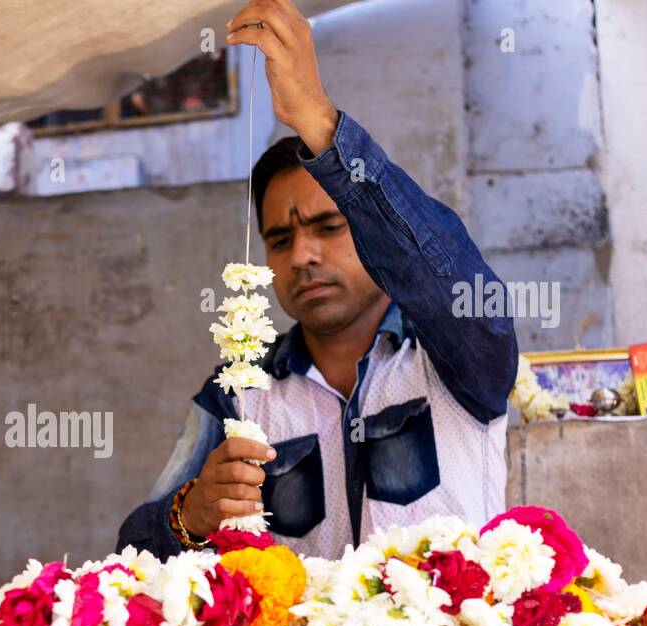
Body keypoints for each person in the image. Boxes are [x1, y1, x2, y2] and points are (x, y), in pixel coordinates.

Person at [116, 0, 519, 560]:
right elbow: (133, 551)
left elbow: (450, 279)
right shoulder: (238, 392)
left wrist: (319, 124)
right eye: (280, 239)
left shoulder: (454, 355)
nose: (302, 253)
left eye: (329, 226)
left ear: (374, 234)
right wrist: (192, 514)